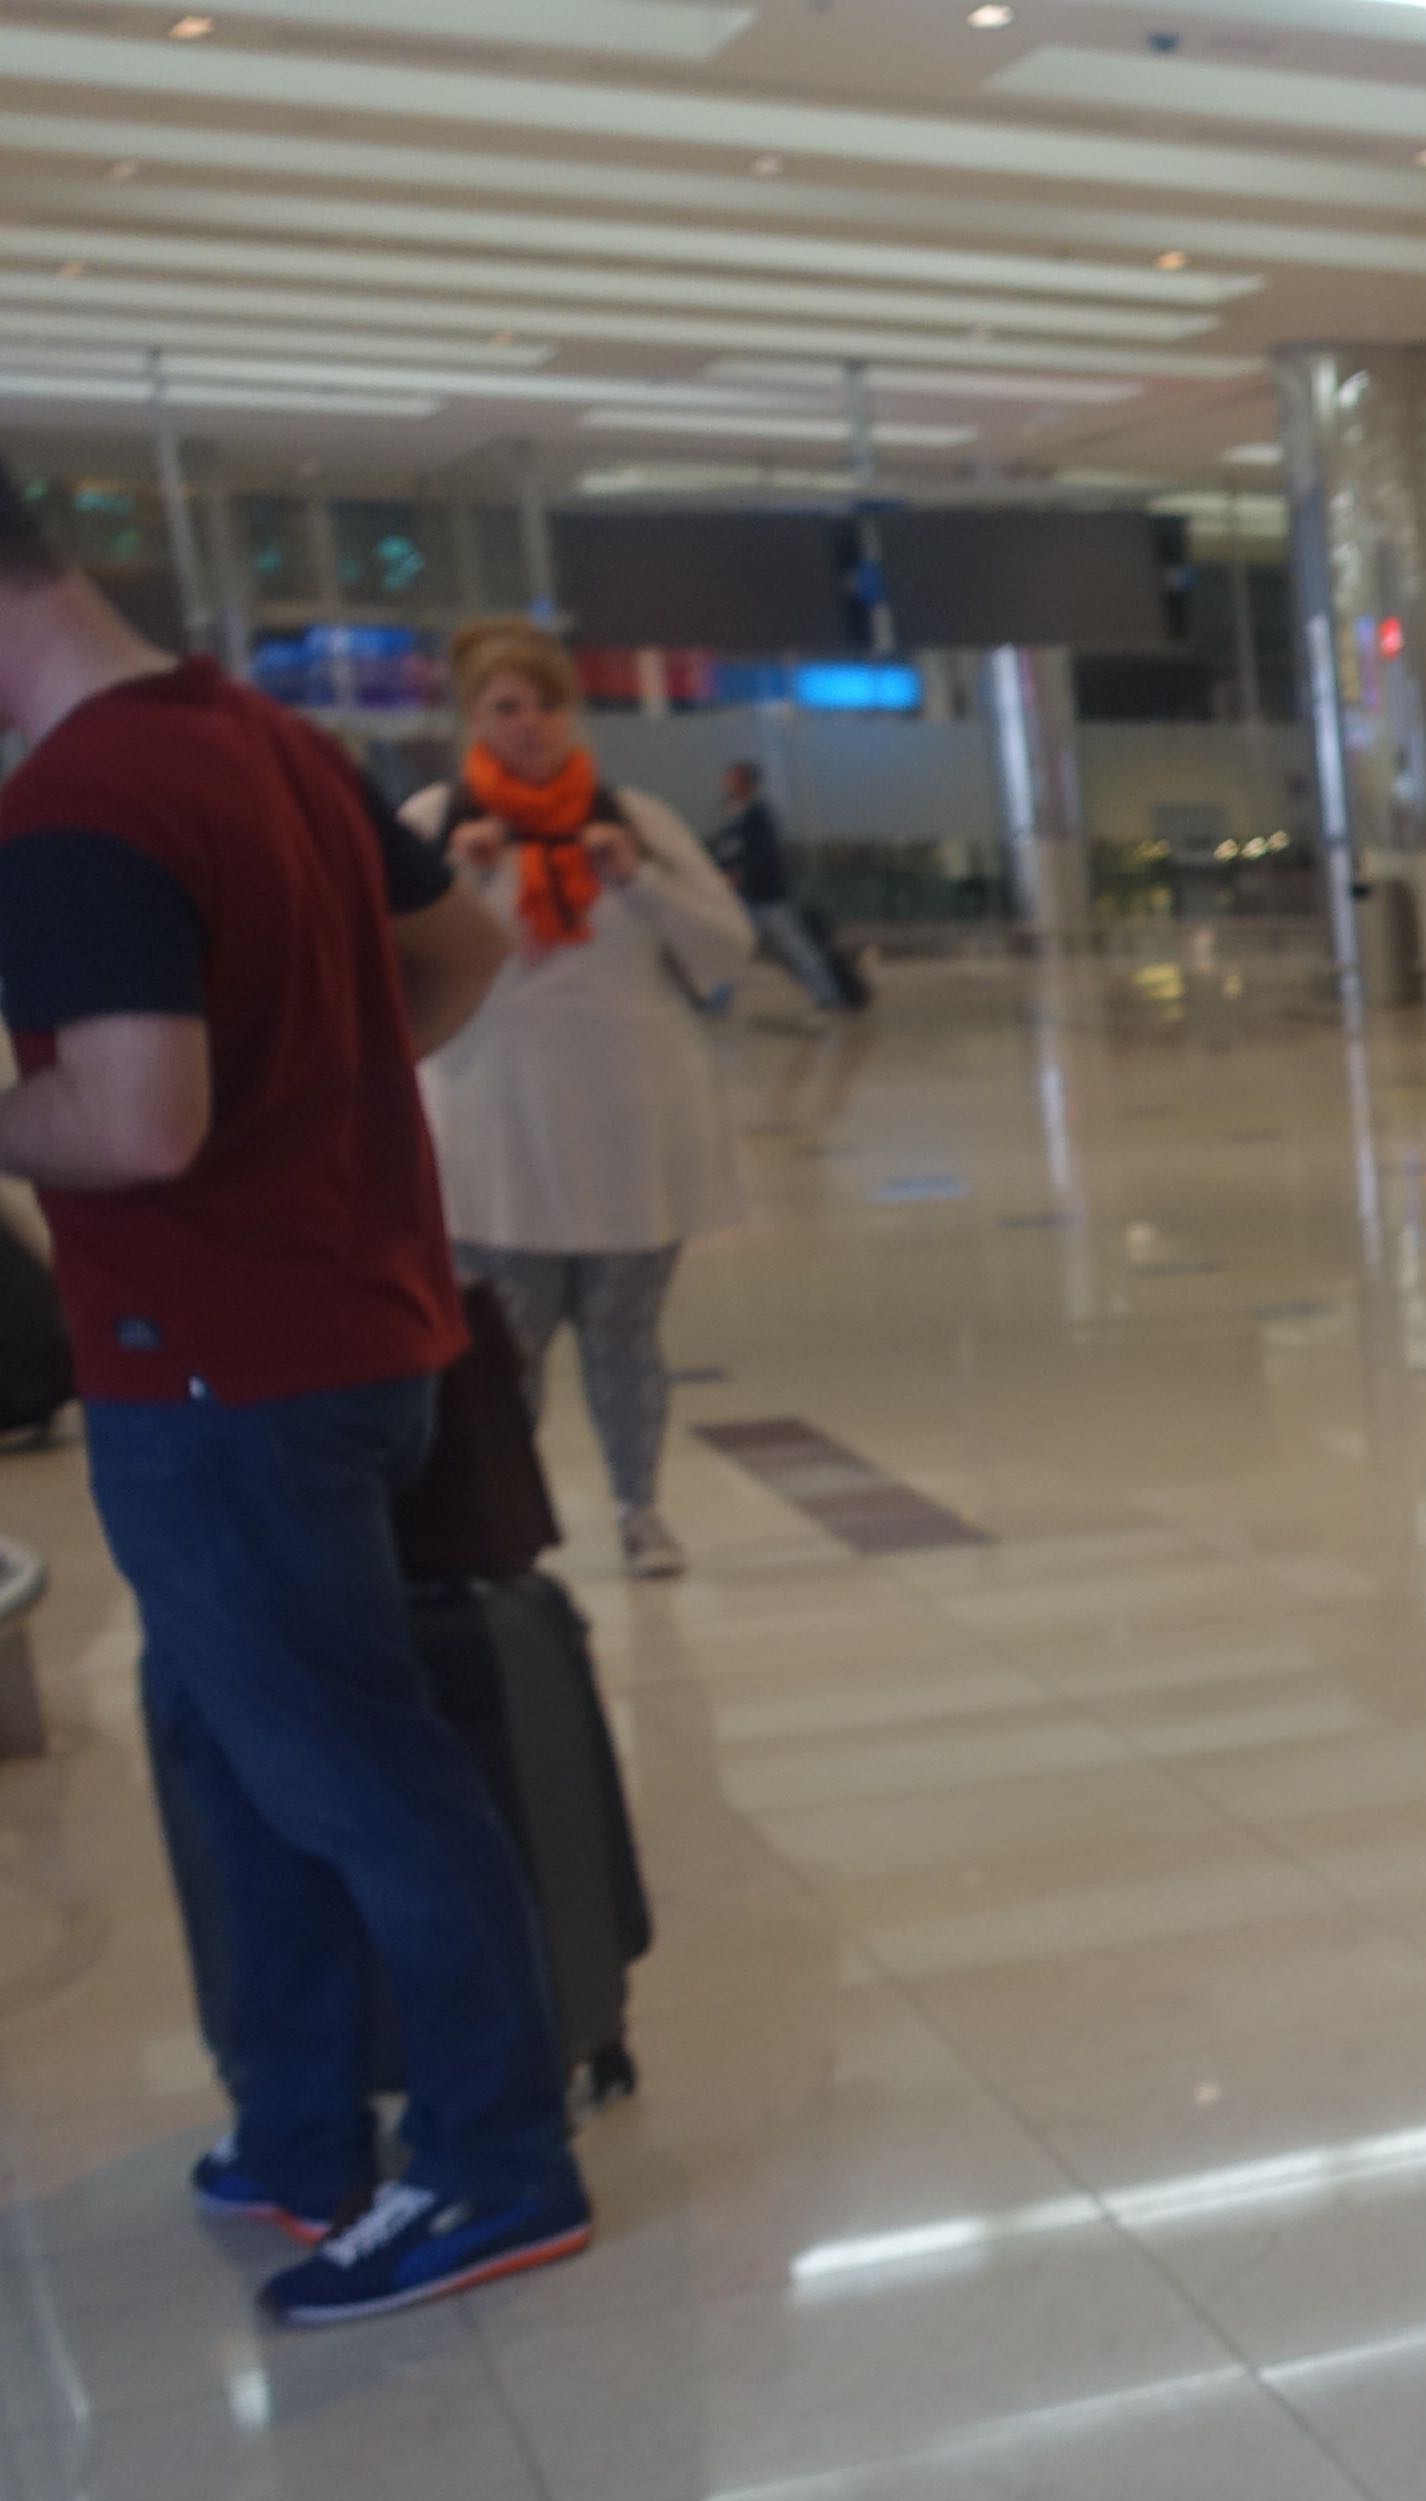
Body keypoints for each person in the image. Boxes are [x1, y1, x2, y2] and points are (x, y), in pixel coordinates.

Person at [0, 450, 598, 2324]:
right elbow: (461, 950)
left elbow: (134, 1122)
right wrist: (309, 1109)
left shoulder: (73, 802)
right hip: (344, 1331)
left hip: (222, 1373)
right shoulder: (262, 738)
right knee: (235, 1741)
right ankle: (302, 2127)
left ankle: (496, 2164)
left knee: (354, 1766)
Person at [401, 622, 754, 1582]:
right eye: (505, 707)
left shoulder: (633, 818)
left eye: (547, 704)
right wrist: (461, 876)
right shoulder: (434, 820)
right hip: (495, 1135)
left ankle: (641, 1510)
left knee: (625, 1337)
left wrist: (637, 879)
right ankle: (502, 1531)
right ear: (472, 718)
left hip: (632, 1130)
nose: (529, 723)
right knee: (502, 1353)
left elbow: (725, 948)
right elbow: (377, 955)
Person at [708, 756, 864, 1015]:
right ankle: (718, 1000)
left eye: (731, 778)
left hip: (767, 896)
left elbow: (766, 852)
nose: (725, 783)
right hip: (742, 896)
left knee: (795, 948)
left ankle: (830, 996)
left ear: (746, 783)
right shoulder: (729, 813)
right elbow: (725, 849)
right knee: (732, 946)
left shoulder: (759, 814)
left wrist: (742, 873)